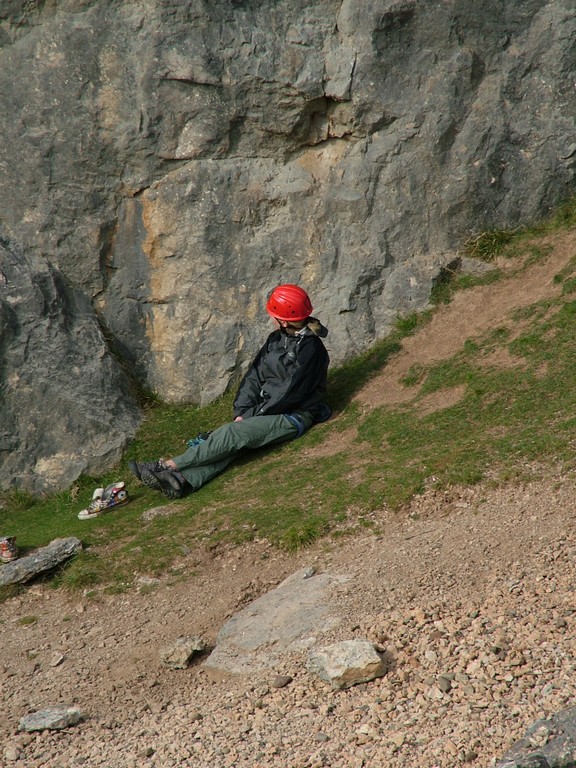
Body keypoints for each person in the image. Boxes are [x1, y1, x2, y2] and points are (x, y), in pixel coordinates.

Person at [129, 284, 330, 499]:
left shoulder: (311, 350)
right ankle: (181, 481)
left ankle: (166, 467)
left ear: (283, 320)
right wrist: (242, 410)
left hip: (293, 415)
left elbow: (290, 393)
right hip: (266, 409)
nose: (271, 318)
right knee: (229, 444)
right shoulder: (275, 339)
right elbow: (254, 376)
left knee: (232, 434)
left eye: (273, 315)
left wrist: (251, 416)